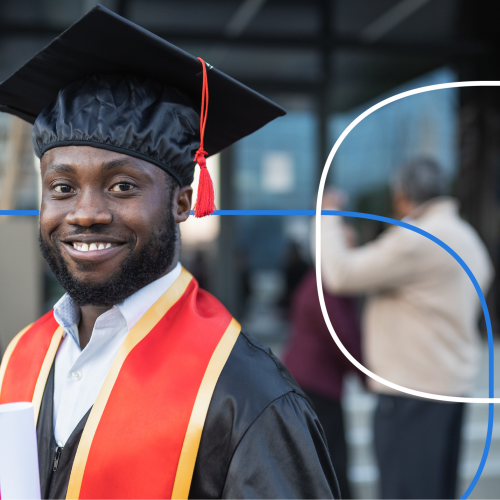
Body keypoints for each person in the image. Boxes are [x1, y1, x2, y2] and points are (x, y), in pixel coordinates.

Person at [0, 6, 340, 500]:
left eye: (121, 186)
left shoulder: (245, 397)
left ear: (183, 202)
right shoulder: (20, 359)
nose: (85, 213)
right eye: (62, 187)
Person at [318, 158, 494, 500]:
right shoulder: (466, 236)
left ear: (401, 195)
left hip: (411, 394)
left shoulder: (417, 238)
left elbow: (341, 274)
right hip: (449, 389)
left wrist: (328, 217)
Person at [283, 267, 364, 500]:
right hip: (317, 388)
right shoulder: (325, 287)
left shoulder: (315, 282)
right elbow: (342, 336)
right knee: (332, 466)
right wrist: (369, 375)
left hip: (308, 383)